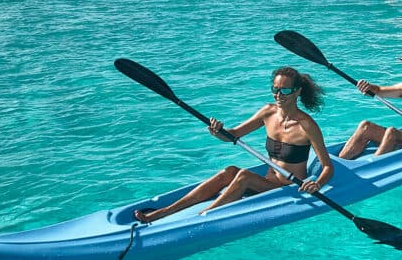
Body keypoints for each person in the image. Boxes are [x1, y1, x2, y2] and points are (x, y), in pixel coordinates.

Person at [134, 67, 334, 223]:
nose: (279, 95)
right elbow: (234, 135)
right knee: (230, 171)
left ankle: (202, 216)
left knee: (244, 176)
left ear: (297, 91)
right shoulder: (268, 112)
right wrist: (218, 131)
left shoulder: (306, 125)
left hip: (289, 188)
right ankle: (164, 212)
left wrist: (316, 183)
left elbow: (327, 166)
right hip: (268, 181)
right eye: (275, 89)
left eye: (285, 90)